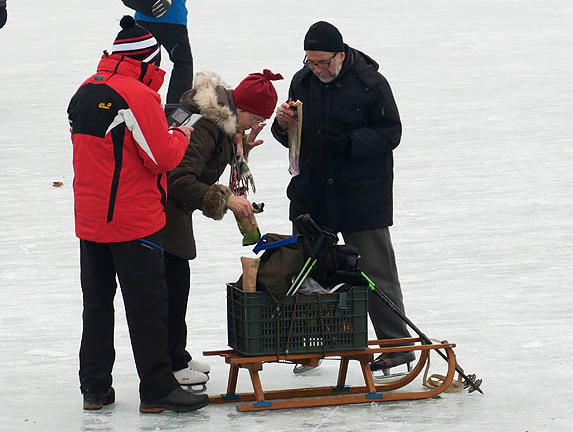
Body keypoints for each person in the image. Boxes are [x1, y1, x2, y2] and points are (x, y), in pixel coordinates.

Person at [68, 15, 208, 413]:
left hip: (91, 219)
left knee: (96, 304)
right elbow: (161, 158)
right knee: (147, 307)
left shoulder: (86, 89)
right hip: (133, 220)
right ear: (148, 62)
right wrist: (180, 133)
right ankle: (157, 389)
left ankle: (95, 388)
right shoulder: (137, 95)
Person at [270, 21, 413, 372]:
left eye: (322, 62)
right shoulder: (301, 81)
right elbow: (290, 140)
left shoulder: (370, 84)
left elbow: (390, 133)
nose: (316, 69)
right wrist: (282, 123)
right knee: (309, 272)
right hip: (313, 193)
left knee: (375, 271)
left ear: (341, 54)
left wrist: (349, 143)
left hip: (361, 193)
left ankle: (397, 345)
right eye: (310, 61)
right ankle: (311, 347)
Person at [159, 69, 282, 387]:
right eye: (255, 117)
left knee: (177, 284)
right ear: (242, 108)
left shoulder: (222, 121)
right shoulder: (207, 125)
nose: (255, 124)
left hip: (171, 214)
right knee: (172, 288)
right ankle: (171, 363)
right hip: (160, 213)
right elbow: (179, 179)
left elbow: (207, 158)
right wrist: (225, 199)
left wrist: (241, 148)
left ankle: (177, 354)